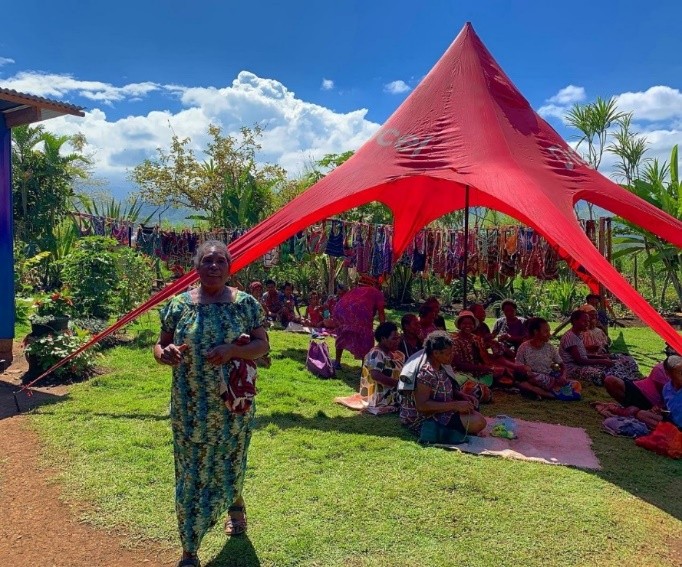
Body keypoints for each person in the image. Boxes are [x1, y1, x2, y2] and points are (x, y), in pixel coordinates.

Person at [154, 240, 269, 567]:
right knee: (190, 473)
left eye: (220, 261)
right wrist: (165, 354)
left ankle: (235, 505)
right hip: (189, 406)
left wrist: (233, 351)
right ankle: (189, 549)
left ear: (229, 268)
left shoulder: (245, 304)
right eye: (207, 260)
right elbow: (159, 345)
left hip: (232, 405)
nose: (214, 266)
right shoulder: (178, 305)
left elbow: (262, 345)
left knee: (230, 461)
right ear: (197, 267)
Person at [401, 331, 486, 436]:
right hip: (424, 418)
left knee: (474, 410)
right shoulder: (425, 373)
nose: (451, 356)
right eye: (448, 354)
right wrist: (455, 405)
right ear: (436, 353)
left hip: (441, 411)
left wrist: (460, 395)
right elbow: (422, 406)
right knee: (478, 422)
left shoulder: (441, 366)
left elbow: (442, 388)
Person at [516, 317, 579, 399]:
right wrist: (525, 369)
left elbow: (563, 366)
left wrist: (563, 377)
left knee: (576, 384)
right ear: (536, 332)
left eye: (549, 331)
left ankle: (544, 393)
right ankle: (552, 394)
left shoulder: (550, 347)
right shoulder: (524, 347)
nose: (549, 334)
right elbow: (518, 367)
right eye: (546, 332)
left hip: (549, 378)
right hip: (534, 378)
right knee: (530, 378)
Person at [333, 277, 386, 369]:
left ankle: (337, 362)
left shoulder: (355, 290)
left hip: (341, 310)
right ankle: (364, 367)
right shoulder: (377, 292)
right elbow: (381, 313)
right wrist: (383, 329)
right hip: (361, 313)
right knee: (366, 338)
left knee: (343, 334)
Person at [579, 304, 640, 381]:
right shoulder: (580, 333)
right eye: (591, 315)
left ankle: (632, 378)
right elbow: (580, 354)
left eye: (595, 315)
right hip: (592, 360)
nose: (594, 317)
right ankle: (625, 380)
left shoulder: (598, 330)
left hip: (601, 355)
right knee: (616, 365)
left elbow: (607, 343)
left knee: (627, 358)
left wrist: (602, 330)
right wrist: (591, 350)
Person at [450, 310, 511, 385]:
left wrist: (493, 368)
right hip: (460, 373)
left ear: (474, 325)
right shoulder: (454, 340)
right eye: (464, 323)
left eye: (470, 323)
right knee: (460, 381)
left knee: (504, 375)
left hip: (478, 372)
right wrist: (486, 368)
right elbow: (458, 364)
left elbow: (483, 358)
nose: (468, 326)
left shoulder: (477, 339)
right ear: (459, 325)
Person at [559, 310, 616, 386]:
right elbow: (579, 361)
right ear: (575, 321)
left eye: (588, 321)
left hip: (581, 365)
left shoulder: (579, 334)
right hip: (572, 369)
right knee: (605, 375)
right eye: (584, 321)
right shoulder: (570, 337)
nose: (587, 323)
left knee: (617, 361)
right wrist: (602, 361)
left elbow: (583, 355)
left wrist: (601, 357)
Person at [359, 322, 405, 411]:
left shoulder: (396, 354)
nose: (397, 341)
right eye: (394, 339)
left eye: (398, 338)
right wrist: (399, 384)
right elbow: (376, 375)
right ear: (383, 338)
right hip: (381, 398)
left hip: (394, 393)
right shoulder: (376, 353)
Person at [604, 361, 669, 413]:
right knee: (610, 381)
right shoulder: (661, 367)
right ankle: (628, 408)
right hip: (637, 389)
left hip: (653, 405)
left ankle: (632, 411)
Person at [662, 355, 682, 428]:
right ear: (668, 374)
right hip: (674, 426)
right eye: (681, 373)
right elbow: (669, 408)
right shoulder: (666, 389)